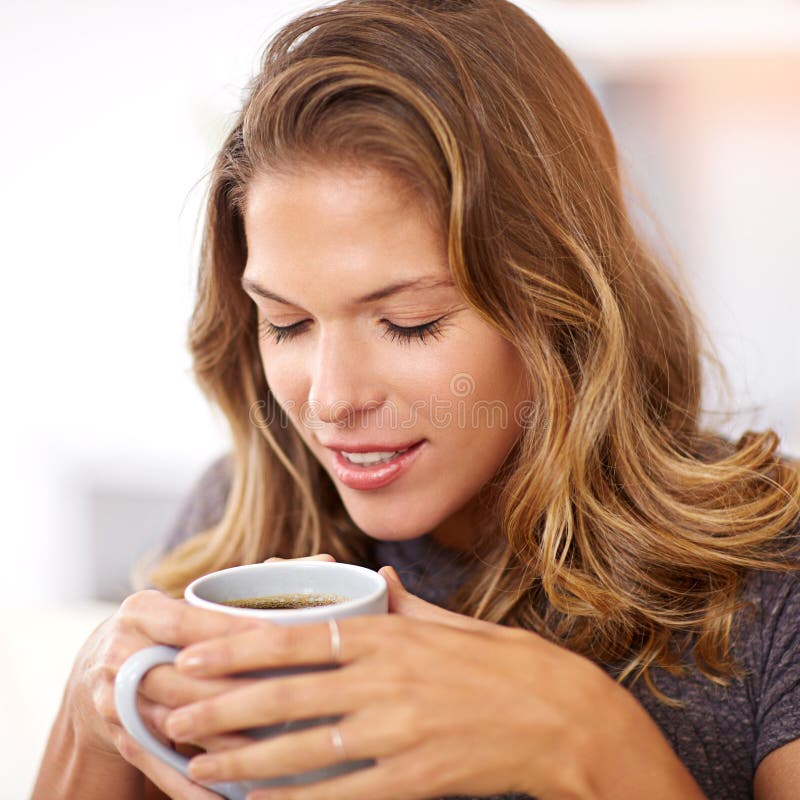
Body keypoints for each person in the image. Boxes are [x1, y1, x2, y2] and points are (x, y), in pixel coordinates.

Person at [33, 1, 800, 798]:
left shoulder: (776, 573)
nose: (331, 401)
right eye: (286, 323)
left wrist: (592, 739)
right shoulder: (244, 521)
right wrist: (89, 713)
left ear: (560, 304)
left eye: (408, 323)